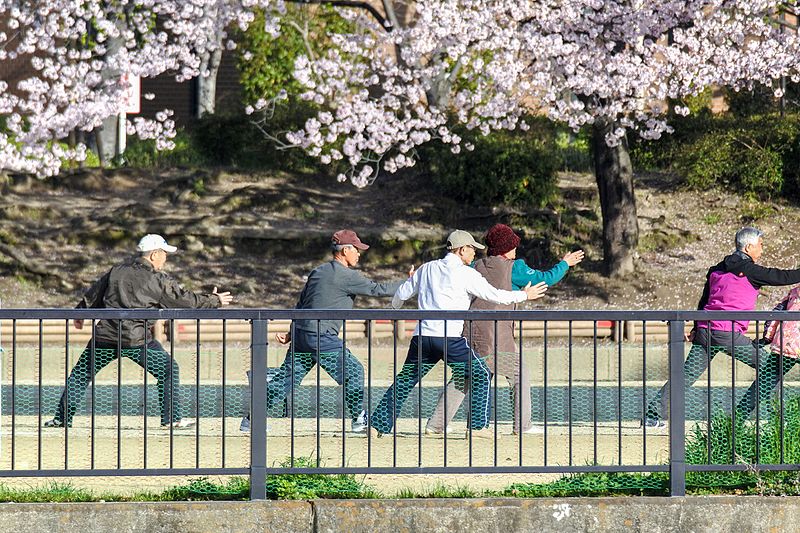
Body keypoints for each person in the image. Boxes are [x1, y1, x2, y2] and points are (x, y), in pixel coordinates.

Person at [371, 230, 548, 439]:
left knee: (405, 380)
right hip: (450, 340)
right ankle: (477, 428)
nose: (475, 253)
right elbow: (495, 296)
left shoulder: (426, 268)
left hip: (422, 339)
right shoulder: (466, 274)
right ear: (461, 249)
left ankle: (377, 426)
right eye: (472, 249)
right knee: (481, 374)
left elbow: (401, 293)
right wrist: (524, 295)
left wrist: (392, 311)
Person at [44, 234, 233, 429]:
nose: (166, 259)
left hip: (106, 337)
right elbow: (184, 300)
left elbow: (93, 295)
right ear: (154, 255)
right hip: (138, 341)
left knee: (81, 374)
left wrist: (79, 314)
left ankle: (61, 419)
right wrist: (214, 300)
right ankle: (172, 419)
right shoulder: (158, 279)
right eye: (164, 254)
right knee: (169, 369)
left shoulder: (116, 271)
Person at [240, 229, 412, 433]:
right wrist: (410, 282)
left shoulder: (318, 271)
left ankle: (252, 419)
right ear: (345, 250)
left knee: (286, 379)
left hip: (302, 335)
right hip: (321, 338)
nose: (359, 254)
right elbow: (378, 289)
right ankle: (358, 419)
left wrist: (291, 333)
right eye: (356, 249)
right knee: (355, 371)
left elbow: (301, 304)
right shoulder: (346, 275)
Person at [425, 223, 584, 435]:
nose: (516, 249)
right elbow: (544, 279)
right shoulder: (514, 267)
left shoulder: (475, 265)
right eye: (513, 246)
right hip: (495, 335)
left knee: (466, 375)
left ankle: (436, 424)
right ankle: (522, 425)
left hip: (469, 331)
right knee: (519, 373)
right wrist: (565, 263)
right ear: (505, 248)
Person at [645, 227, 800, 428]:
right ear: (749, 247)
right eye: (760, 245)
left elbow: (704, 301)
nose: (762, 250)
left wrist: (695, 328)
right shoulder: (750, 270)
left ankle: (652, 415)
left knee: (686, 376)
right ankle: (767, 420)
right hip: (727, 334)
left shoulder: (716, 269)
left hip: (705, 330)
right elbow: (782, 277)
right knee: (773, 368)